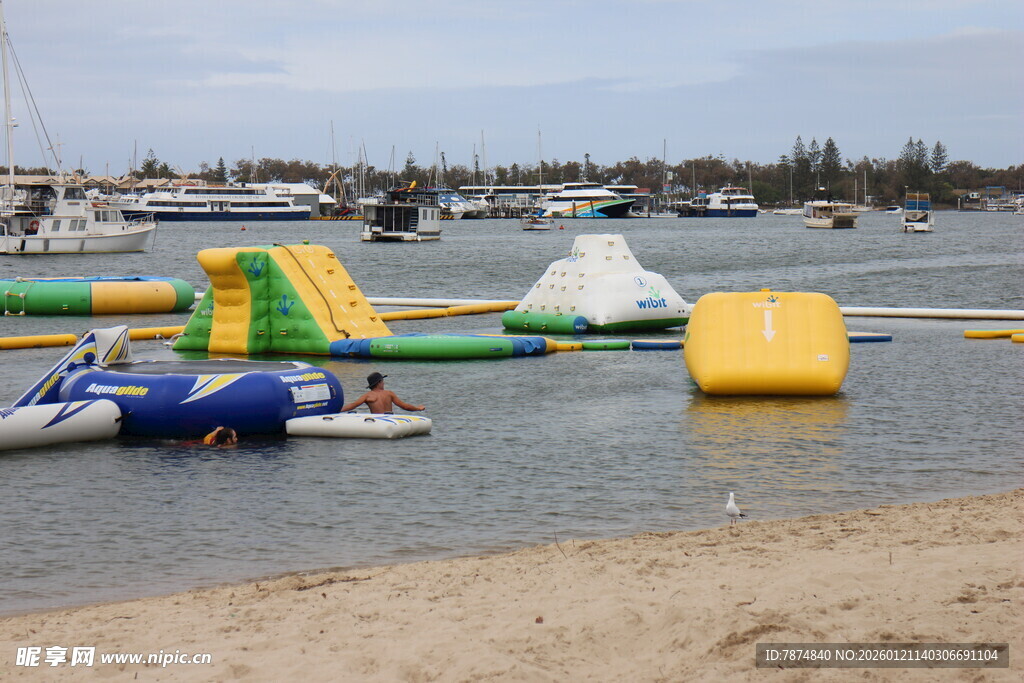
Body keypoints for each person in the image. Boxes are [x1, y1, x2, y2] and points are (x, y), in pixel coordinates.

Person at [340, 372, 425, 414]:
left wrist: (338, 410)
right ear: (379, 382)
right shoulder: (389, 393)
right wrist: (418, 408)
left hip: (377, 422)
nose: (384, 383)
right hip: (389, 419)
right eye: (382, 381)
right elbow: (404, 406)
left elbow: (353, 405)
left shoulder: (367, 396)